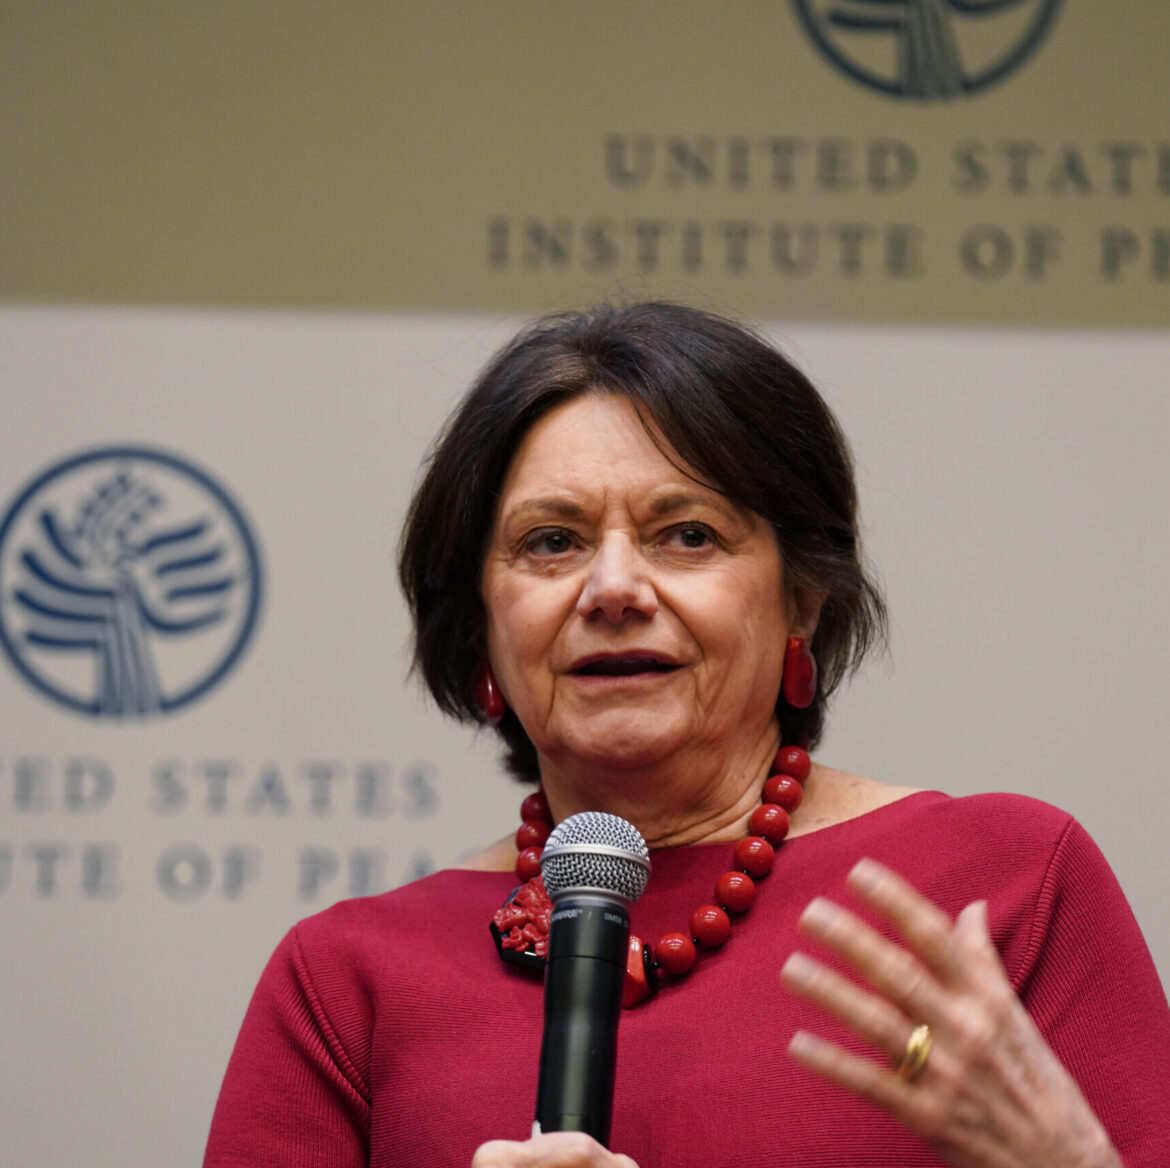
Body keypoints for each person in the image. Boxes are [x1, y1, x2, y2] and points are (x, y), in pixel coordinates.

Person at [204, 302, 1170, 1168]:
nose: (614, 589)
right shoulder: (348, 982)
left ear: (803, 597)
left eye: (688, 534)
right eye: (552, 542)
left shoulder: (999, 885)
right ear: (480, 625)